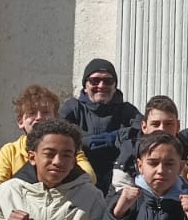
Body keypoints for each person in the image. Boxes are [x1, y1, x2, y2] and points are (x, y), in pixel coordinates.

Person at [0, 85, 94, 205]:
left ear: (56, 118)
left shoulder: (68, 147)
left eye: (45, 112)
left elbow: (89, 177)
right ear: (20, 122)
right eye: (32, 113)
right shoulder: (10, 151)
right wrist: (4, 209)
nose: (39, 118)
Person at [59, 58, 142, 193]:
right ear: (85, 86)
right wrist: (84, 141)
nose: (101, 85)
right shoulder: (73, 107)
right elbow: (55, 132)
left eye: (108, 81)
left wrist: (115, 138)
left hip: (116, 184)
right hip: (78, 183)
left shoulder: (127, 110)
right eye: (95, 80)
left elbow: (144, 131)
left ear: (115, 87)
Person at [111, 95, 183, 192]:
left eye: (168, 124)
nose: (162, 129)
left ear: (178, 126)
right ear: (144, 127)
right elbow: (119, 194)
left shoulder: (187, 151)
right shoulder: (128, 156)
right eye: (155, 124)